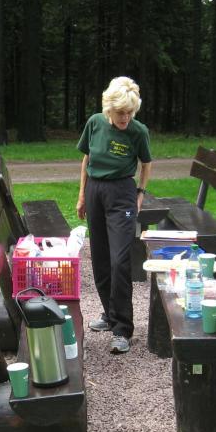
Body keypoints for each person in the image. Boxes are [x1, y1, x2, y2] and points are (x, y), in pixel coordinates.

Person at [76, 76, 152, 354]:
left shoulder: (138, 131)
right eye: (121, 112)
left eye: (130, 112)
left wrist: (140, 192)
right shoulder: (95, 123)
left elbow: (146, 163)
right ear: (109, 108)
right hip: (95, 191)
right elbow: (86, 159)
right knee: (100, 258)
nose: (125, 118)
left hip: (122, 193)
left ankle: (122, 329)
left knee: (120, 260)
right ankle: (109, 315)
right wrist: (82, 195)